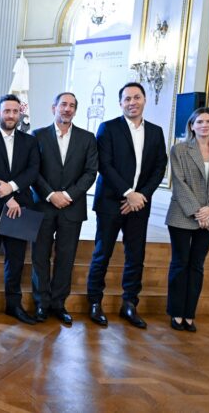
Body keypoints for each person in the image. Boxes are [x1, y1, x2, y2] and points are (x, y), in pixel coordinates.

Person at [86, 82, 168, 329]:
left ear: (144, 100)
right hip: (111, 202)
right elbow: (105, 165)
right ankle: (94, 302)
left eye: (136, 97)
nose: (132, 102)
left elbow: (159, 167)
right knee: (102, 253)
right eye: (127, 99)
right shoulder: (108, 128)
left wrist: (140, 196)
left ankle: (130, 303)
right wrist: (127, 193)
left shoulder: (155, 131)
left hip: (139, 205)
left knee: (136, 256)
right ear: (120, 103)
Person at [30, 92, 97, 325]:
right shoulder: (37, 135)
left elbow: (91, 172)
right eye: (63, 105)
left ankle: (58, 304)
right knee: (40, 256)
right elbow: (32, 170)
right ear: (53, 108)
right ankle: (41, 303)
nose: (67, 109)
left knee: (66, 257)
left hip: (72, 206)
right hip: (42, 205)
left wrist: (67, 195)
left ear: (75, 110)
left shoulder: (88, 138)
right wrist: (50, 194)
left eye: (71, 106)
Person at [165, 107, 209, 332]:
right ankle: (176, 312)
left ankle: (189, 314)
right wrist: (197, 211)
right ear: (192, 125)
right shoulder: (180, 150)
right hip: (182, 215)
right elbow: (179, 181)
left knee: (197, 266)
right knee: (180, 263)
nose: (205, 125)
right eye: (200, 121)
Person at [0, 94, 40, 325]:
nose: (11, 115)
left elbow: (33, 170)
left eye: (15, 111)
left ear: (20, 114)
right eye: (7, 111)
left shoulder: (30, 141)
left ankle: (14, 305)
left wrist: (11, 190)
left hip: (19, 208)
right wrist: (5, 197)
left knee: (16, 260)